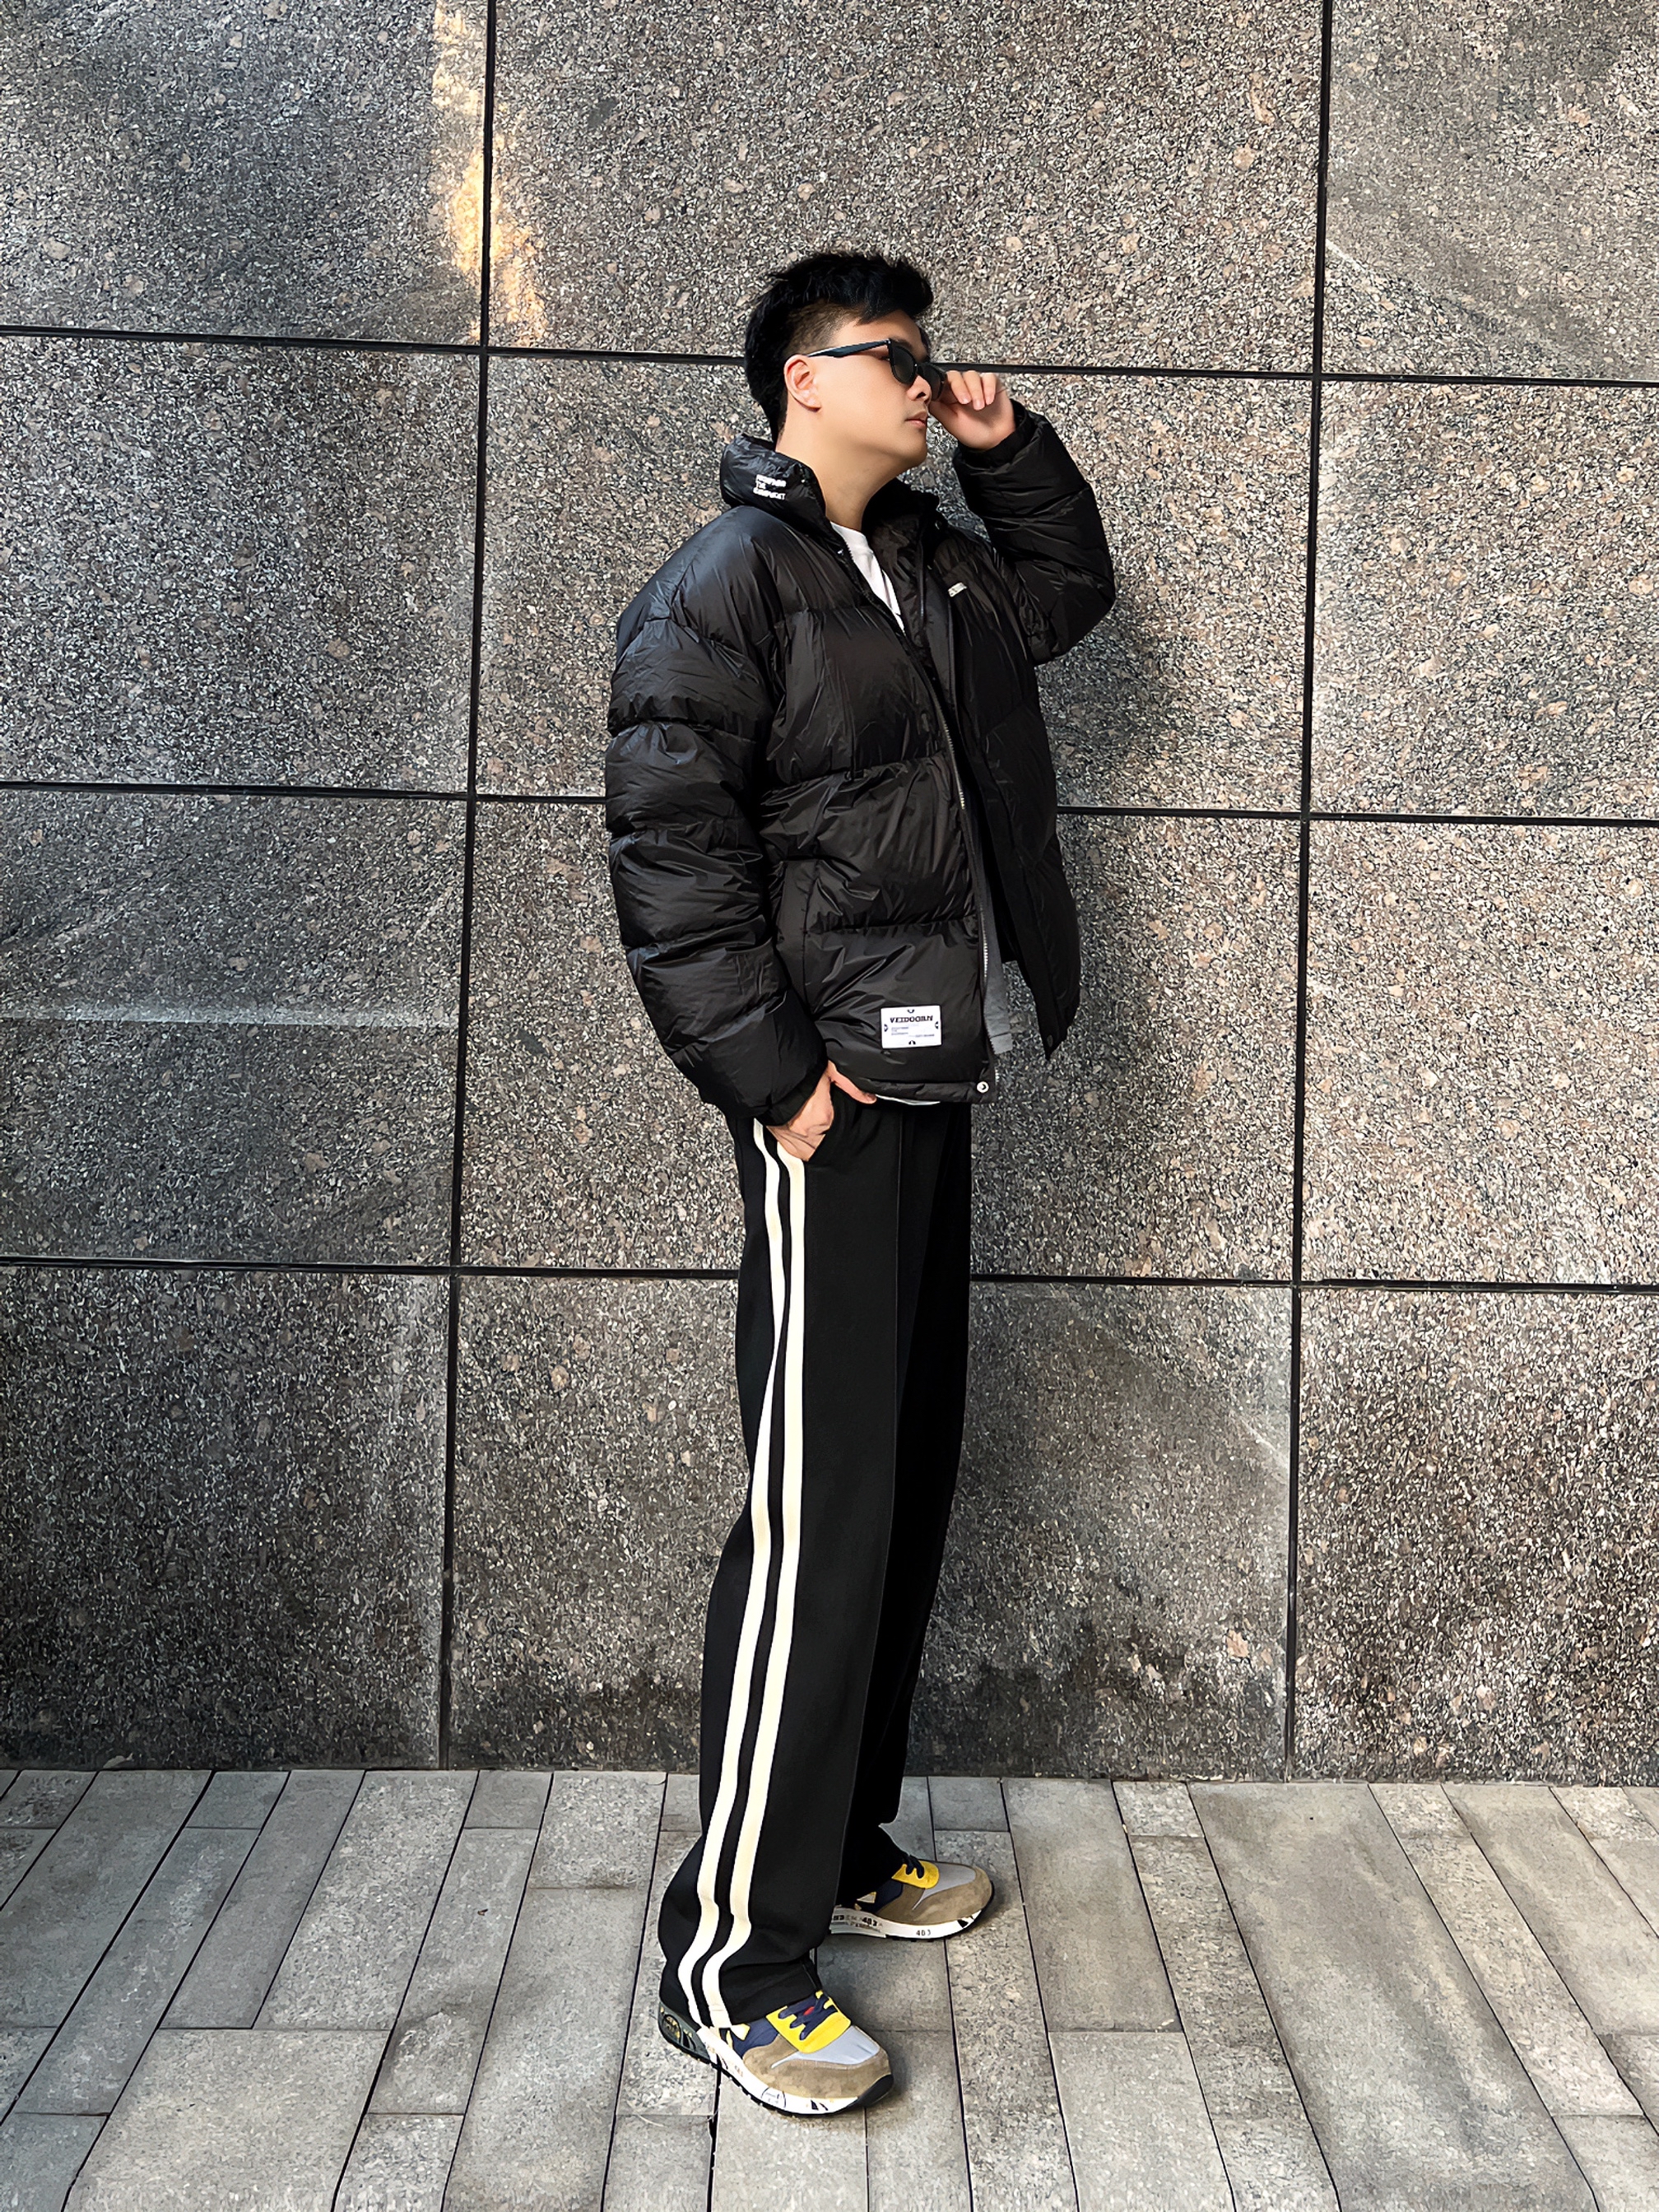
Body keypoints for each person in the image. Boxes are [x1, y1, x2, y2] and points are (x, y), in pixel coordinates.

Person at [603, 249, 1113, 2117]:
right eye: (896, 356)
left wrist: (1012, 445)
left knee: (896, 1486)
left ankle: (836, 1844)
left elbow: (1071, 589)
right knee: (818, 1519)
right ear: (801, 381)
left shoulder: (934, 562)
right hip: (832, 1101)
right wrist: (768, 1078)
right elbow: (671, 857)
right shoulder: (725, 583)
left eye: (930, 353)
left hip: (934, 1071)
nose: (925, 377)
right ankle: (730, 1953)